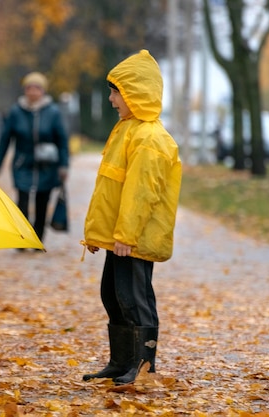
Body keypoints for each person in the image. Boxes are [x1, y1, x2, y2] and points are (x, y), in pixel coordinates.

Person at [81, 49, 182, 385]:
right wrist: (100, 236)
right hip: (120, 237)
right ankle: (121, 362)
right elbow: (111, 188)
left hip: (134, 238)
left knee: (134, 300)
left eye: (115, 92)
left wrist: (126, 234)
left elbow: (142, 194)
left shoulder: (150, 137)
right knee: (113, 296)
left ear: (134, 94)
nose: (111, 100)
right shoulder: (127, 129)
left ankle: (142, 368)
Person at [0, 72, 69, 245]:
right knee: (23, 203)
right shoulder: (16, 111)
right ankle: (23, 238)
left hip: (47, 164)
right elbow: (5, 139)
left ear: (43, 91)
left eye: (37, 88)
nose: (33, 92)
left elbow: (62, 140)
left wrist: (64, 165)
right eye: (29, 88)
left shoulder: (53, 112)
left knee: (42, 203)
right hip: (22, 163)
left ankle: (37, 239)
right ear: (24, 90)